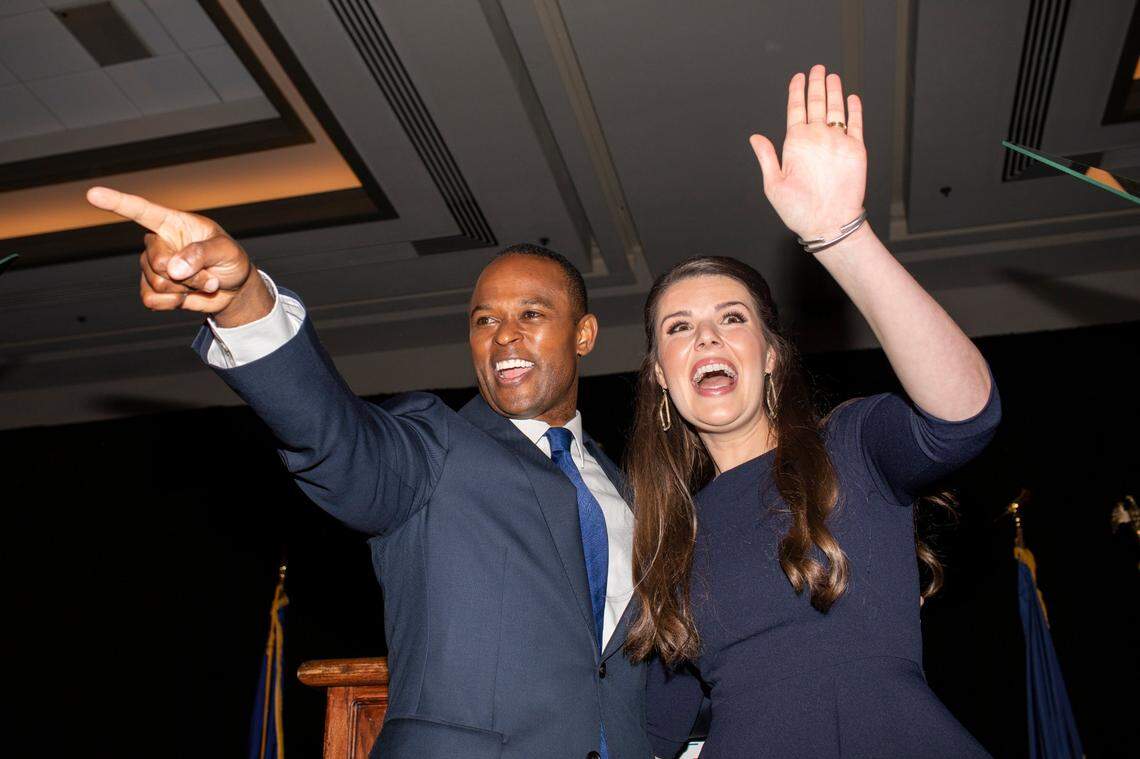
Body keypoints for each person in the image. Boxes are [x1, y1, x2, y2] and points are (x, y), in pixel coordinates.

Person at [85, 186, 650, 759]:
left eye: (531, 313)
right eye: (484, 319)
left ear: (584, 334)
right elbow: (333, 436)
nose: (503, 335)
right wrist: (242, 304)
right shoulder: (435, 446)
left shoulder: (630, 491)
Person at [623, 66, 1000, 758]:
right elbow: (653, 728)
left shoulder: (851, 447)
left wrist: (842, 234)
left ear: (771, 355)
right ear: (659, 378)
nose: (705, 337)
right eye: (678, 328)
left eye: (731, 318)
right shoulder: (669, 537)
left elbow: (964, 415)